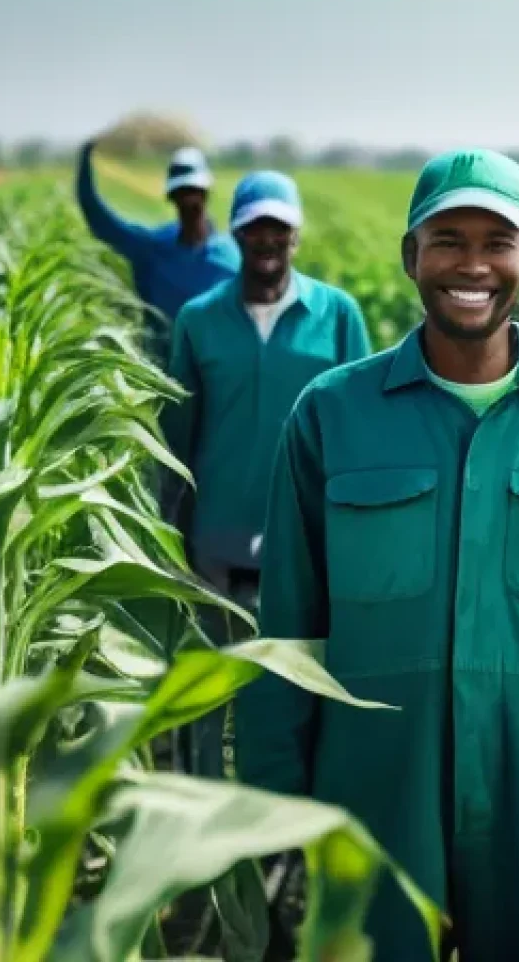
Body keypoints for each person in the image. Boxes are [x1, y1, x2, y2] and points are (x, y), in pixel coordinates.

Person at [236, 149, 519, 961]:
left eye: (496, 240)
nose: (471, 264)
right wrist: (274, 801)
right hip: (371, 795)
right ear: (411, 256)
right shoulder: (330, 416)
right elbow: (287, 634)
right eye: (447, 239)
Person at [162, 168, 373, 776]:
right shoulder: (198, 320)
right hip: (215, 545)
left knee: (295, 691)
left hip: (306, 545)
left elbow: (359, 433)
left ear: (295, 236)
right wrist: (169, 528)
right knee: (208, 686)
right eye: (255, 228)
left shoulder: (336, 316)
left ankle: (286, 831)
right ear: (237, 234)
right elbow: (179, 435)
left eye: (279, 228)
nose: (267, 240)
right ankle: (203, 806)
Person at [74, 140, 240, 348]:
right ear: (172, 197)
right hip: (162, 368)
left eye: (194, 191)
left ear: (205, 194)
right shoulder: (153, 249)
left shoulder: (231, 258)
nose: (189, 201)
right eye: (182, 193)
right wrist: (86, 154)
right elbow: (99, 219)